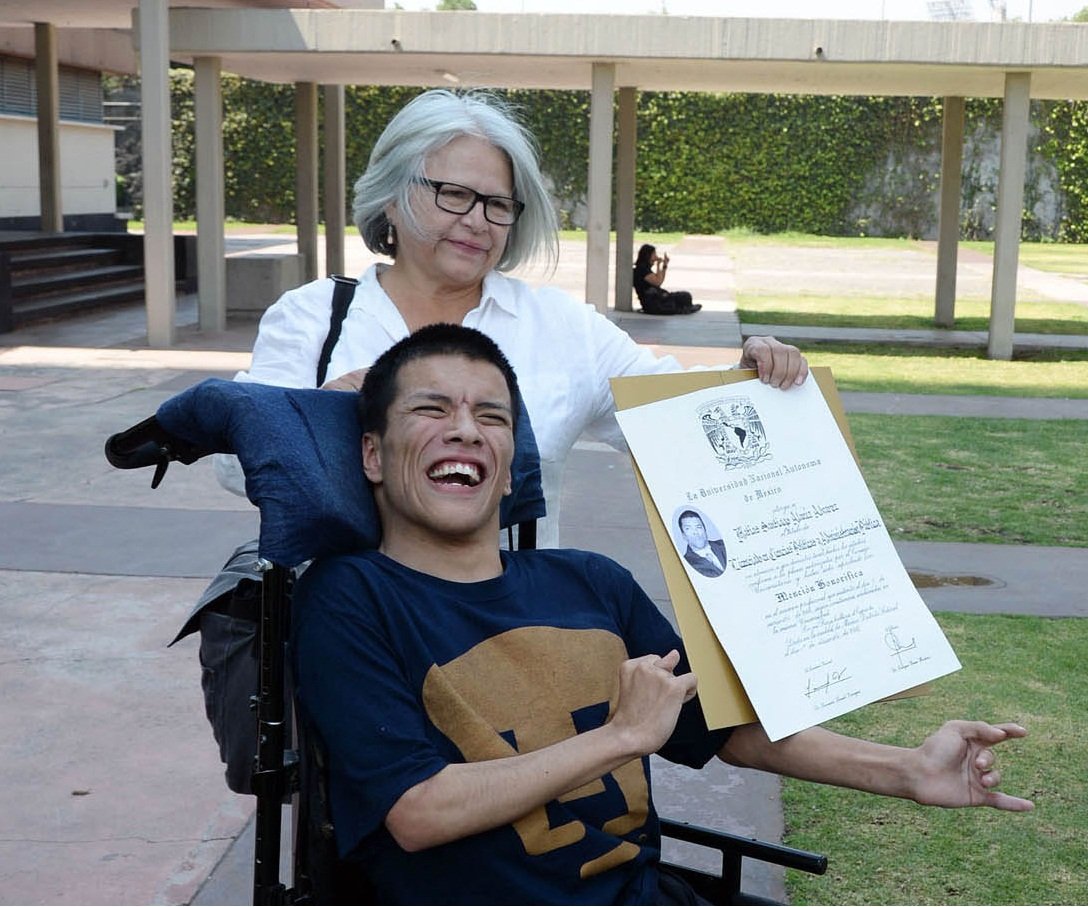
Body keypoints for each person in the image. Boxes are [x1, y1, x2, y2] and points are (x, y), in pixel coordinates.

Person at [291, 324, 1034, 905]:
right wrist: (619, 736)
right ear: (372, 456)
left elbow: (728, 730)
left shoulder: (590, 582)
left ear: (514, 461)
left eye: (491, 414)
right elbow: (417, 810)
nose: (464, 428)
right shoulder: (347, 595)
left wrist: (906, 770)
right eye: (430, 408)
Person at [216, 89, 807, 547]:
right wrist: (327, 413)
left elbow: (680, 417)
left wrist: (752, 375)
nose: (478, 220)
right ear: (392, 196)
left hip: (513, 649)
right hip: (351, 644)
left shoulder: (559, 326)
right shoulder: (315, 317)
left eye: (498, 204)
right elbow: (233, 465)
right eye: (453, 193)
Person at [633, 243, 700, 315]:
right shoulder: (642, 270)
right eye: (654, 254)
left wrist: (664, 266)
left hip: (657, 298)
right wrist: (658, 265)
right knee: (684, 296)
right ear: (647, 255)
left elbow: (660, 279)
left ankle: (686, 307)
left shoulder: (645, 269)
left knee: (684, 296)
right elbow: (658, 282)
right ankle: (684, 308)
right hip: (653, 303)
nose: (656, 256)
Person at [678, 509, 727, 578]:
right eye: (688, 528)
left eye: (698, 527)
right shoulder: (686, 563)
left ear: (705, 529)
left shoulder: (723, 545)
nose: (695, 532)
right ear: (683, 535)